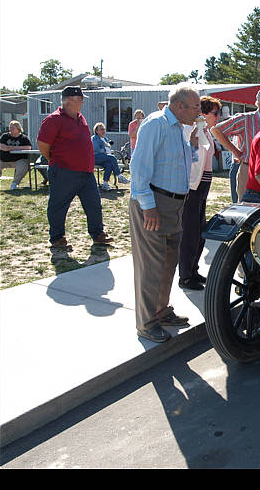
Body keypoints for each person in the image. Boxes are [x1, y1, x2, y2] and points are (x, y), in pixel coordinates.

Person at [129, 84, 201, 343]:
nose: (199, 112)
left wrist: (191, 147)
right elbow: (138, 168)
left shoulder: (179, 129)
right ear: (179, 106)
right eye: (196, 107)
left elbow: (174, 164)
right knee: (151, 266)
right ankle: (146, 323)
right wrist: (148, 206)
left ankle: (160, 311)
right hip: (155, 204)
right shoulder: (155, 125)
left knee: (168, 262)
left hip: (174, 206)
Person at [36, 86, 114, 251]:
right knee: (59, 206)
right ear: (71, 100)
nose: (83, 101)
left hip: (86, 172)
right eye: (81, 98)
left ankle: (98, 234)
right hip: (64, 171)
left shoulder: (80, 118)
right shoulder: (54, 119)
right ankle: (57, 237)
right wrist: (54, 159)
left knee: (94, 204)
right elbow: (43, 144)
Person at [178, 95, 221, 291]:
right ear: (203, 113)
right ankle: (185, 276)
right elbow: (193, 156)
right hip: (193, 186)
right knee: (190, 231)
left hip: (203, 184)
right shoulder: (193, 130)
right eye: (215, 113)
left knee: (200, 230)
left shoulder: (206, 131)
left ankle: (193, 270)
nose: (218, 117)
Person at [210, 86, 260, 203]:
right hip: (248, 170)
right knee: (246, 208)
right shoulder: (246, 119)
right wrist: (236, 152)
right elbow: (217, 131)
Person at [92, 122, 130, 190]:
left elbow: (109, 146)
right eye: (101, 129)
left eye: (104, 129)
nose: (103, 131)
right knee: (112, 158)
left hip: (104, 158)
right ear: (96, 131)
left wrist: (108, 146)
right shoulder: (94, 138)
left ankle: (105, 184)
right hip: (96, 157)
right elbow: (96, 149)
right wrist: (105, 149)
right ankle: (119, 176)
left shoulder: (105, 138)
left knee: (108, 164)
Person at [0, 120, 32, 190]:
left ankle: (15, 183)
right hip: (4, 160)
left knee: (23, 166)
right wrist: (10, 148)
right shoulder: (5, 136)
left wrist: (12, 148)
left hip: (19, 160)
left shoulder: (23, 138)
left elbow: (28, 147)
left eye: (13, 128)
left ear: (18, 129)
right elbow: (2, 147)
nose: (10, 129)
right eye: (10, 127)